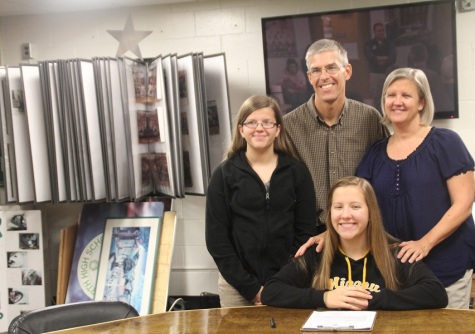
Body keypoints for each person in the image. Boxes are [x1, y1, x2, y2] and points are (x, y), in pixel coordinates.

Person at [356, 68, 475, 309]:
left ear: (421, 102)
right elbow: (358, 202)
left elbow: (464, 202)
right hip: (397, 275)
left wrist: (425, 243)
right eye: (391, 95)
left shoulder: (446, 142)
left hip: (446, 269)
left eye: (406, 96)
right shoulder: (375, 152)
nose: (396, 102)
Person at [261, 176, 448, 310]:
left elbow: (436, 293)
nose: (346, 215)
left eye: (356, 206)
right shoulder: (317, 253)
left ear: (370, 213)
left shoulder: (396, 253)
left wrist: (369, 300)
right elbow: (271, 291)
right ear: (330, 213)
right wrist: (325, 297)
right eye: (338, 207)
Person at [205, 95, 317, 307]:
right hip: (237, 287)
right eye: (251, 122)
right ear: (241, 130)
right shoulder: (223, 175)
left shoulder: (297, 173)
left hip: (289, 283)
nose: (259, 128)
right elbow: (217, 241)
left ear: (278, 129)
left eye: (267, 122)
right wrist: (253, 290)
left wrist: (279, 284)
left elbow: (305, 234)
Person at [284, 39, 389, 251]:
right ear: (309, 77)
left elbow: (382, 179)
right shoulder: (289, 126)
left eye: (332, 67)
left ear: (347, 71)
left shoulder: (370, 119)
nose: (324, 77)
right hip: (308, 240)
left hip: (361, 236)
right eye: (316, 70)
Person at [364, 22, 397, 111]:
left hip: (387, 73)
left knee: (388, 93)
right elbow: (370, 57)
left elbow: (392, 58)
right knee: (375, 94)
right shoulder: (369, 43)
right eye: (379, 31)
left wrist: (379, 59)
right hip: (374, 72)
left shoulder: (389, 43)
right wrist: (383, 58)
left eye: (383, 30)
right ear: (374, 32)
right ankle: (376, 113)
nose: (381, 32)